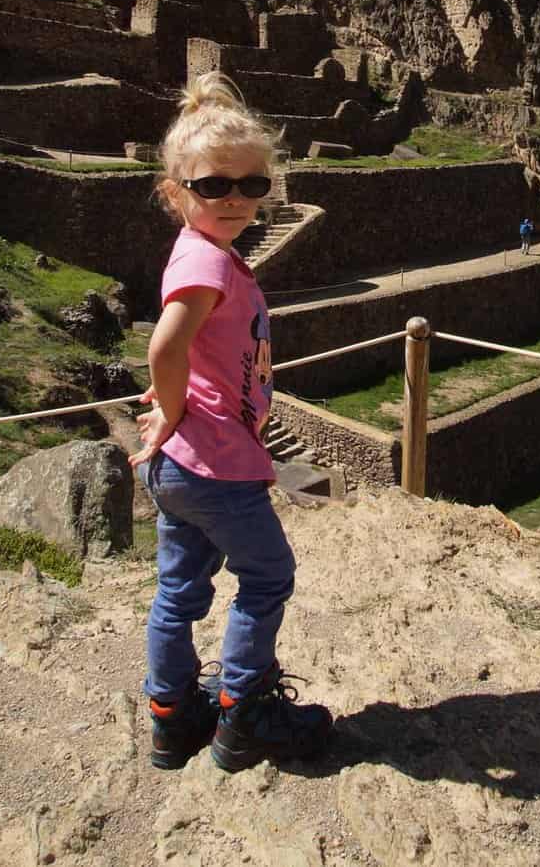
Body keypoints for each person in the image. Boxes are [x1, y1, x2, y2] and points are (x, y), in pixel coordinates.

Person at [130, 73, 332, 773]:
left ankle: (170, 714)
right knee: (268, 577)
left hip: (182, 469)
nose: (237, 199)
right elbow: (164, 345)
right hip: (216, 464)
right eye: (215, 186)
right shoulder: (205, 262)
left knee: (180, 588)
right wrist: (175, 408)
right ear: (175, 192)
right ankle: (244, 715)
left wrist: (169, 415)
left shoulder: (211, 255)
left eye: (253, 185)